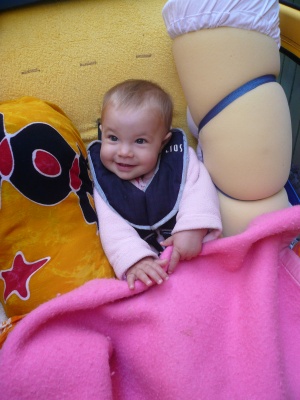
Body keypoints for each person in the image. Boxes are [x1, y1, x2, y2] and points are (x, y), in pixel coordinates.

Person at [88, 79, 222, 289]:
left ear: (163, 142)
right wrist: (135, 259)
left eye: (140, 141)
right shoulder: (103, 181)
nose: (124, 152)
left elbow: (199, 190)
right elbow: (112, 228)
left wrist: (193, 228)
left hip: (191, 253)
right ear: (101, 132)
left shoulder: (179, 161)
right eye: (113, 138)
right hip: (148, 265)